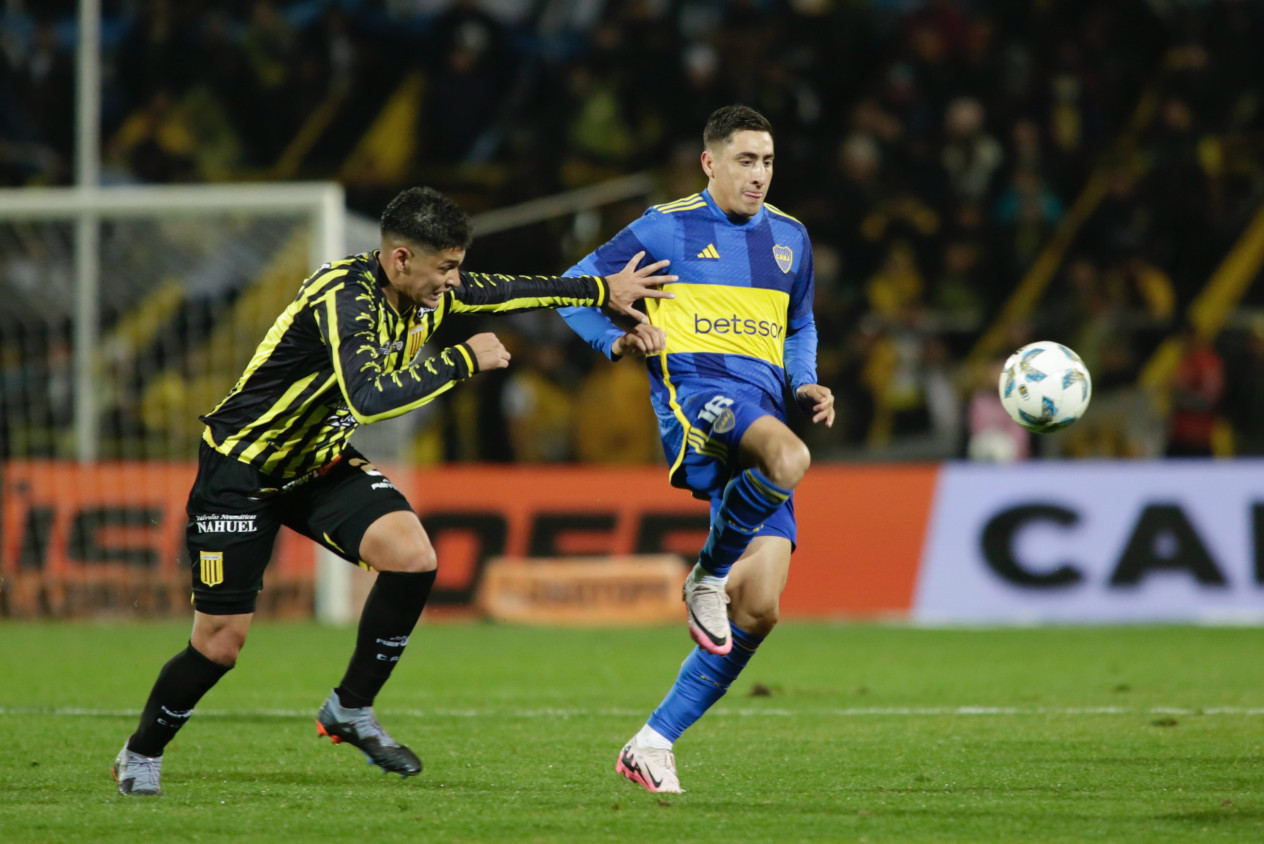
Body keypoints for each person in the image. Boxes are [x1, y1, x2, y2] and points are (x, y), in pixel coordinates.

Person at [110, 186, 676, 796]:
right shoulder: (343, 297)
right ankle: (140, 754)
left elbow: (508, 289)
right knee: (220, 645)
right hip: (242, 471)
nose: (456, 282)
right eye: (446, 268)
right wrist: (463, 361)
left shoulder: (430, 287)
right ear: (401, 259)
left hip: (318, 464)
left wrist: (600, 291)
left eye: (458, 265)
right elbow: (369, 397)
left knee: (413, 557)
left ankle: (350, 708)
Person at [558, 105, 835, 793]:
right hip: (702, 394)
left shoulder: (791, 240)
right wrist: (617, 338)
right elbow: (572, 291)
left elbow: (799, 324)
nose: (759, 175)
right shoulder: (665, 227)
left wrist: (805, 383)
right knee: (791, 459)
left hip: (767, 408)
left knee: (762, 608)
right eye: (746, 160)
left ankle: (652, 742)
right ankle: (707, 572)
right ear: (710, 163)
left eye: (768, 162)